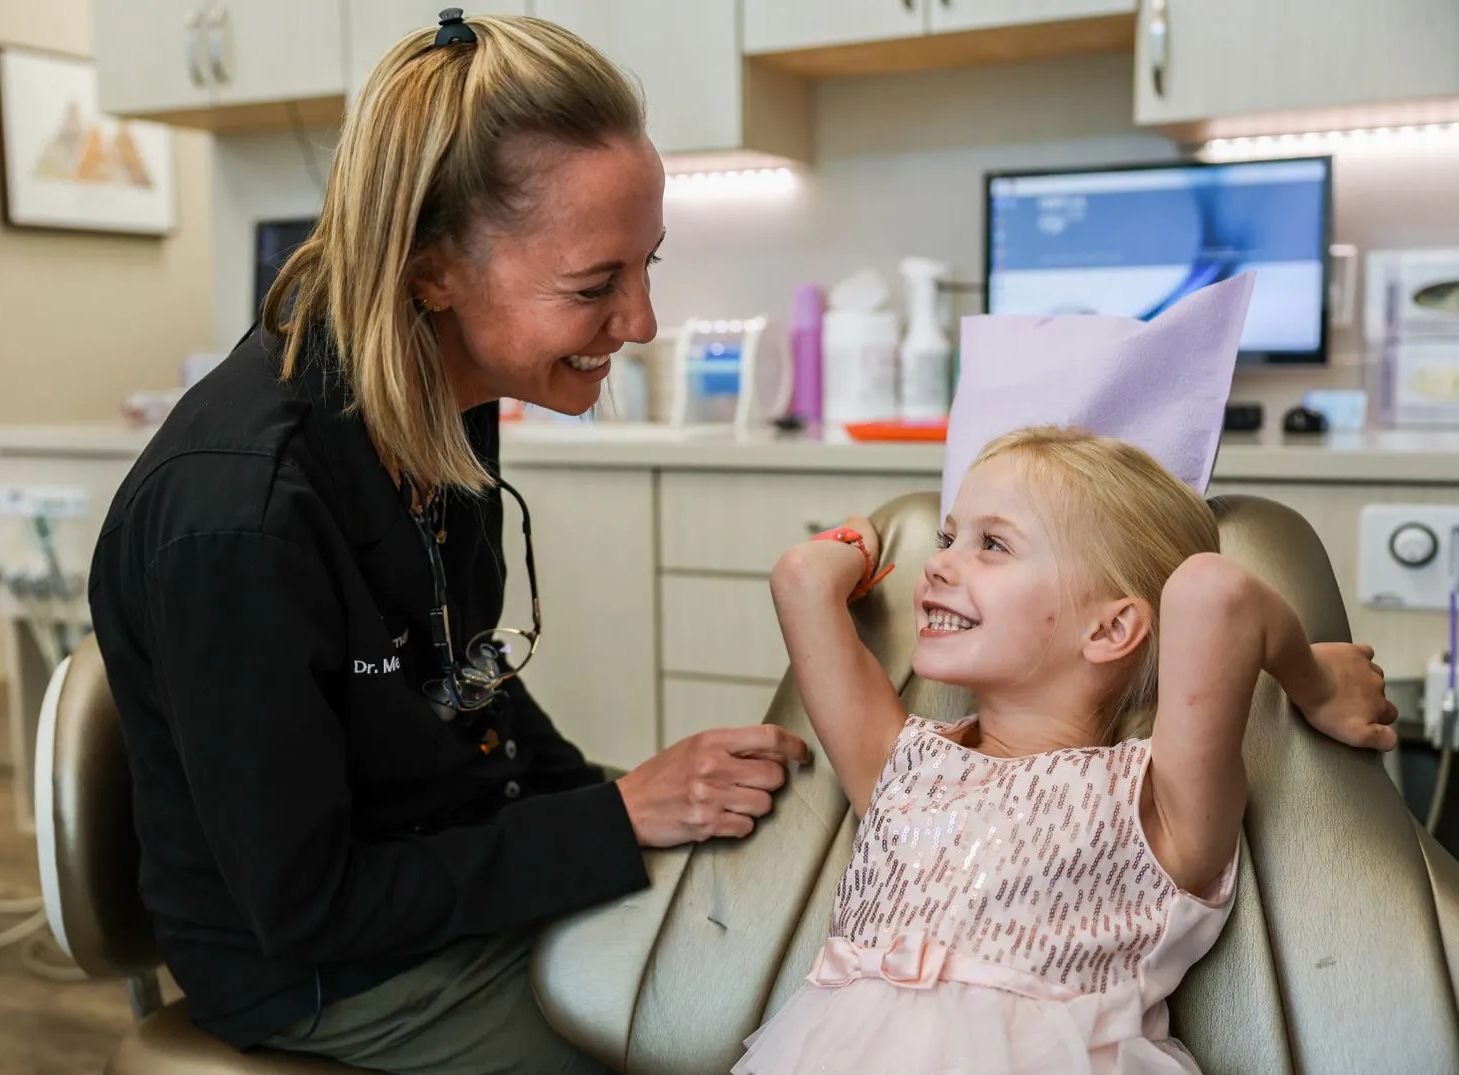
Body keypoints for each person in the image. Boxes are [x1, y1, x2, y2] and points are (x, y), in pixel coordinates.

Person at [86, 11, 808, 1074]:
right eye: (594, 285)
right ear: (433, 272)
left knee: (784, 944)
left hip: (442, 861)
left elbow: (464, 680)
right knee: (721, 1043)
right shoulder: (238, 520)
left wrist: (648, 801)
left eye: (645, 266)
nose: (643, 321)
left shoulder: (437, 395)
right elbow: (310, 906)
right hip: (329, 971)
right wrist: (612, 820)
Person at [735, 426, 1397, 1074]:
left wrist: (1315, 680)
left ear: (1111, 627)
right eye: (945, 538)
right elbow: (801, 577)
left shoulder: (1158, 804)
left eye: (992, 543)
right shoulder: (901, 763)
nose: (937, 562)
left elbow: (1212, 591)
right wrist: (870, 531)